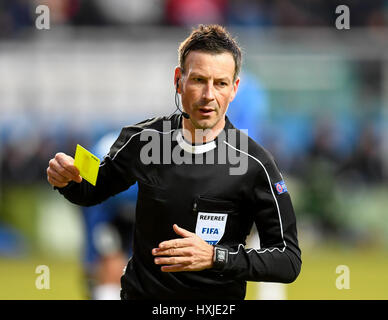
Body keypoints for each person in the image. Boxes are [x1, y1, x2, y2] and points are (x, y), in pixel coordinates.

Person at [46, 24, 301, 300]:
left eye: (220, 83)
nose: (209, 96)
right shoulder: (143, 141)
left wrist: (216, 257)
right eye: (199, 80)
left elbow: (288, 260)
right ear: (179, 80)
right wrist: (68, 179)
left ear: (234, 89)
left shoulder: (255, 164)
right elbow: (91, 190)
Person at [80, 132, 137, 300]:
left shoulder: (159, 174)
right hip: (103, 209)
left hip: (137, 206)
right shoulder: (94, 169)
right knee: (108, 262)